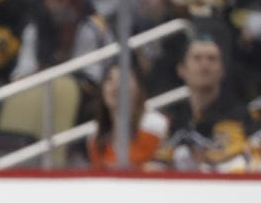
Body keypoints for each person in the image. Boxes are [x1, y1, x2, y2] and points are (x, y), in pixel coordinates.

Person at [151, 35, 250, 172]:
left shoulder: (241, 117)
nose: (205, 64)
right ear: (181, 70)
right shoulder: (170, 118)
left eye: (212, 59)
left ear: (222, 70)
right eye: (197, 58)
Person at [86, 61, 168, 170]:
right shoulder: (95, 138)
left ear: (138, 87)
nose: (115, 86)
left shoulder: (155, 125)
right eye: (109, 79)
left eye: (122, 79)